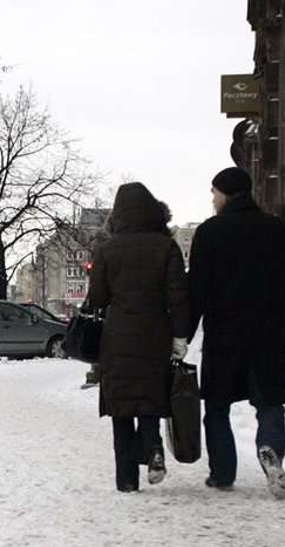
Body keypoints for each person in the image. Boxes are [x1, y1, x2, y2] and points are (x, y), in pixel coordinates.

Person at [189, 167, 285, 499]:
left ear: (225, 193)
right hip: (269, 335)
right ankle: (269, 449)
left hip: (224, 335)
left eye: (214, 193)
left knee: (217, 406)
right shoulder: (279, 231)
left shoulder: (209, 233)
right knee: (269, 403)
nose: (213, 199)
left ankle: (222, 473)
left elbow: (196, 290)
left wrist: (181, 332)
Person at [87, 182, 191, 493]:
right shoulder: (166, 247)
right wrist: (180, 336)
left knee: (122, 408)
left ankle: (127, 480)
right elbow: (179, 296)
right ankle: (152, 449)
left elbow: (97, 297)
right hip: (155, 335)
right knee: (149, 398)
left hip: (117, 337)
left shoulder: (107, 249)